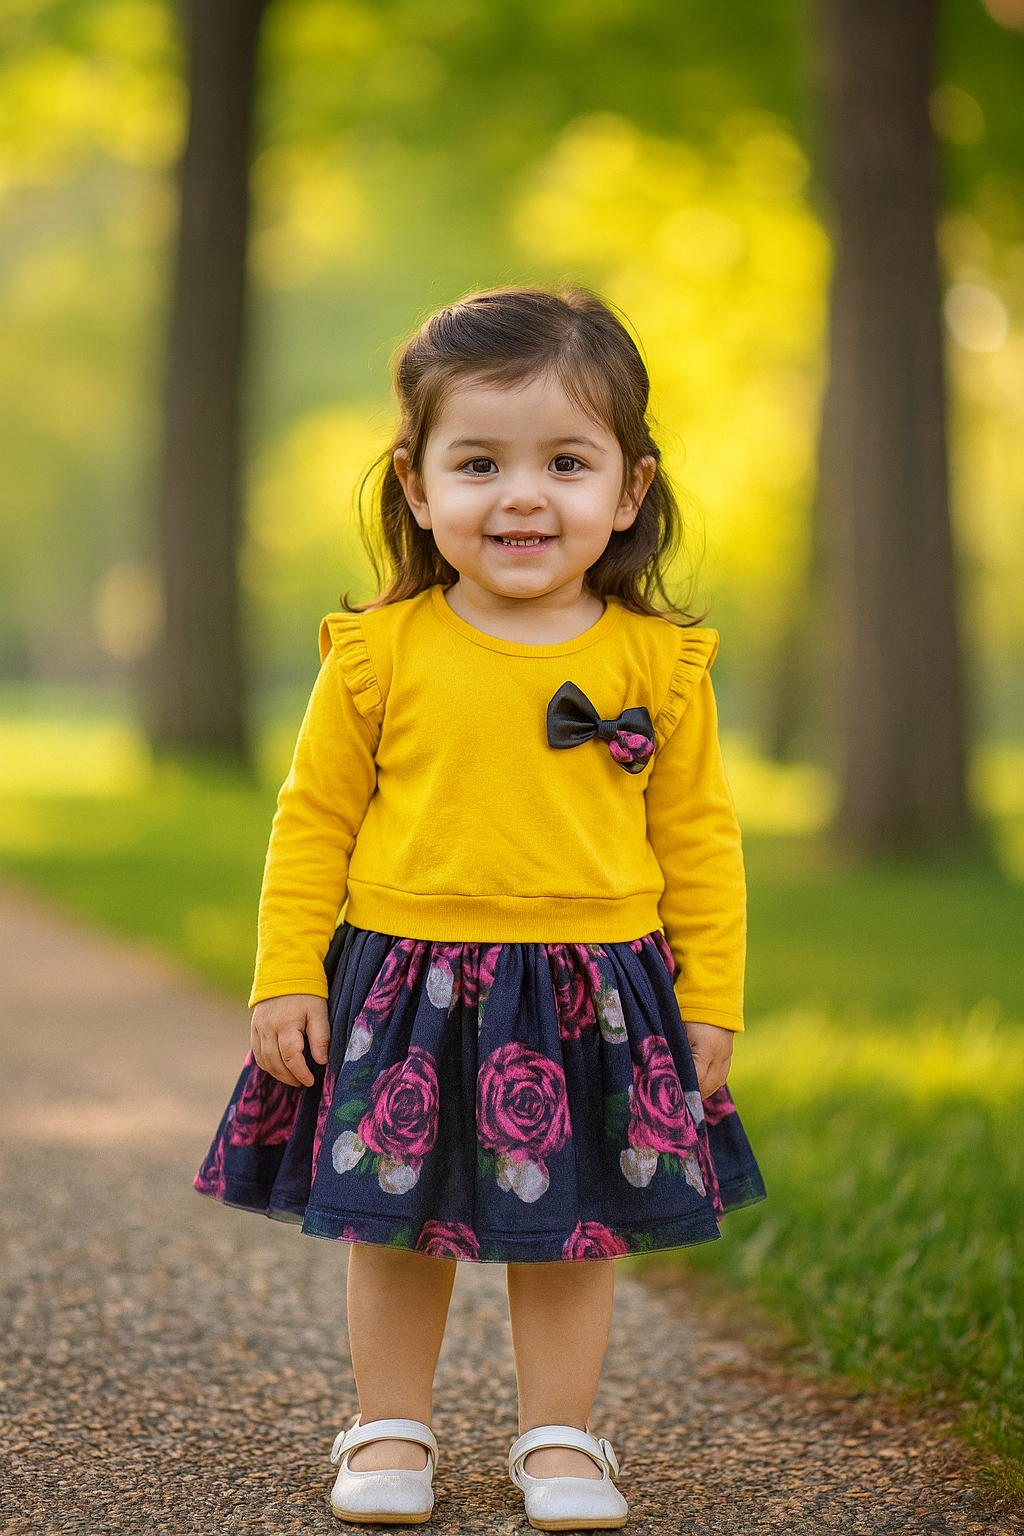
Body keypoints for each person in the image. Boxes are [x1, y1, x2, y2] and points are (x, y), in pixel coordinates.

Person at [195, 287, 765, 1530]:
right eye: (479, 463)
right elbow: (314, 822)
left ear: (627, 490)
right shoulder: (377, 652)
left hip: (594, 987)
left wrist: (708, 998)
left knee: (571, 1229)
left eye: (565, 462)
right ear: (415, 486)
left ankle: (559, 1439)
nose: (521, 495)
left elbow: (699, 840)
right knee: (396, 1222)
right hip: (409, 977)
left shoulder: (653, 664)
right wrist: (286, 971)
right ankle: (389, 1426)